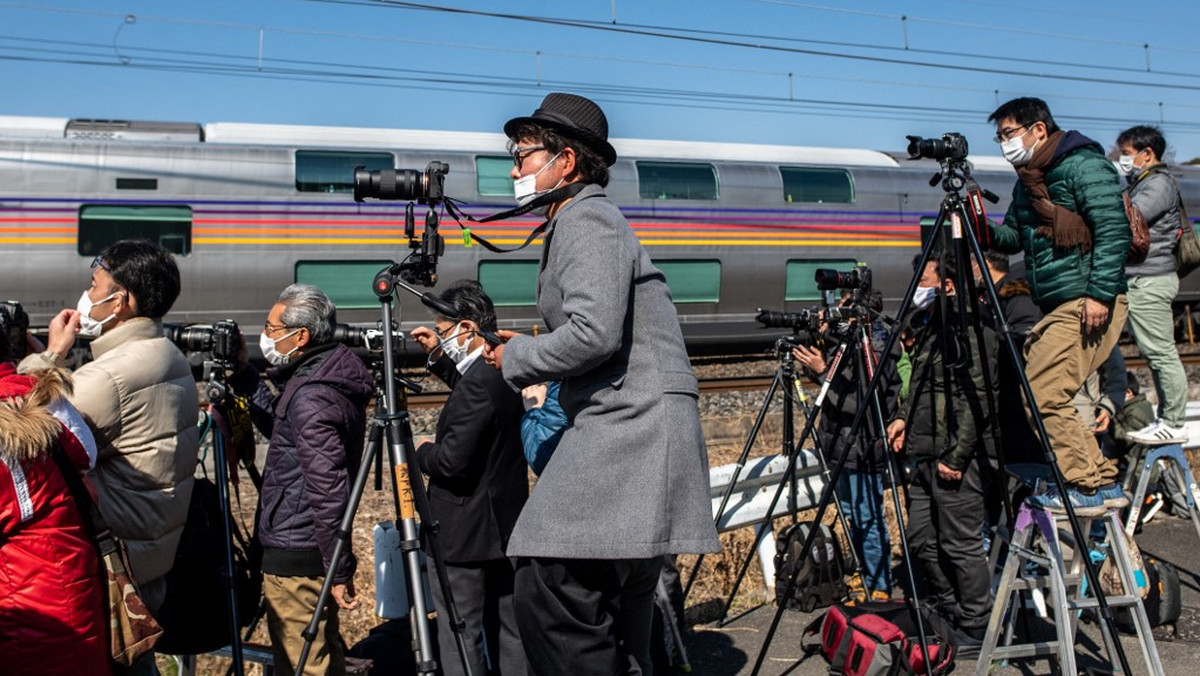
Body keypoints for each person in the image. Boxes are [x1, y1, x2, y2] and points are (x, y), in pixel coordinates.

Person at [482, 92, 721, 674]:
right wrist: (532, 346)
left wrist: (520, 358)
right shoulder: (583, 219)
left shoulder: (586, 218)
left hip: (629, 427)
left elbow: (593, 334)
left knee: (550, 578)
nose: (514, 169)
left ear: (565, 161)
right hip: (629, 425)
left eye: (523, 155)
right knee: (614, 594)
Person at [20, 238, 199, 675]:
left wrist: (50, 355)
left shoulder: (112, 375)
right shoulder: (166, 353)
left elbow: (26, 431)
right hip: (152, 551)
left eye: (94, 285)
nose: (87, 295)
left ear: (120, 302)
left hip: (115, 561)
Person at [987, 97, 1131, 515]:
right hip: (1058, 301)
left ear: (1038, 129)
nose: (1004, 144)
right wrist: (982, 225)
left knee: (1045, 390)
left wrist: (1100, 294)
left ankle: (1083, 483)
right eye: (999, 137)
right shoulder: (1028, 180)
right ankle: (1099, 480)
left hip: (1087, 297)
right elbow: (1013, 237)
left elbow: (1113, 229)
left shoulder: (1083, 165)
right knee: (1045, 389)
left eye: (1009, 134)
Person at [231, 284, 372, 676]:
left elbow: (328, 490)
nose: (267, 335)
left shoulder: (312, 395)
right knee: (320, 658)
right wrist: (244, 373)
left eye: (271, 327)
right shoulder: (321, 377)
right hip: (306, 542)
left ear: (301, 335)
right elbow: (282, 426)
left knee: (304, 665)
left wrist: (339, 569)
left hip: (297, 552)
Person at [409, 280, 528, 676]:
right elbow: (478, 399)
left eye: (444, 333)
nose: (442, 340)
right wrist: (440, 359)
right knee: (511, 632)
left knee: (461, 634)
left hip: (463, 536)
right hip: (504, 525)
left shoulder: (479, 383)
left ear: (467, 328)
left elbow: (451, 463)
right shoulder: (503, 369)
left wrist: (421, 449)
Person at [886, 255, 998, 648]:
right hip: (924, 451)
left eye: (926, 279)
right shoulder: (936, 324)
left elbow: (978, 397)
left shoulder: (971, 326)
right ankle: (950, 608)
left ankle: (976, 624)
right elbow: (920, 382)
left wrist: (957, 454)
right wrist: (902, 416)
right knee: (921, 538)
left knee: (960, 543)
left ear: (948, 285)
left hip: (954, 457)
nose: (918, 286)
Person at [0, 322, 109, 675]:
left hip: (32, 628)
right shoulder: (34, 400)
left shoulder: (6, 440)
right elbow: (86, 452)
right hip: (68, 601)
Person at [792, 289, 898, 603]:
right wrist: (818, 344)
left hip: (862, 445)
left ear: (861, 315)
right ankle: (862, 577)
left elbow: (861, 402)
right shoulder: (847, 344)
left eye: (844, 309)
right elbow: (834, 388)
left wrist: (824, 369)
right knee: (853, 516)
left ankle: (878, 587)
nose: (837, 314)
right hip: (838, 444)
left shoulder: (875, 347)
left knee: (867, 518)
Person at [1117, 125, 1190, 447]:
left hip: (1150, 277)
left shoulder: (1157, 184)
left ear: (1148, 154)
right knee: (1155, 353)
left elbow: (1132, 216)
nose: (1122, 159)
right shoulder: (1145, 183)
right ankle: (1168, 419)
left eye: (1126, 154)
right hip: (1145, 276)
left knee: (1161, 353)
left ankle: (1174, 421)